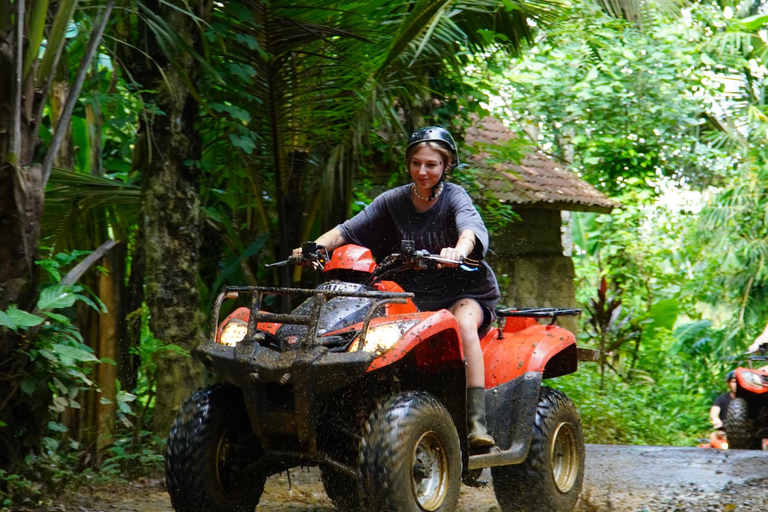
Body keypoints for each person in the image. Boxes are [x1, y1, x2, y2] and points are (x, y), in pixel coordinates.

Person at [292, 126, 500, 448]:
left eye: (431, 164)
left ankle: (476, 423)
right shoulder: (394, 200)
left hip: (463, 293)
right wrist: (314, 247)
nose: (422, 171)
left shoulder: (455, 197)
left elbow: (469, 228)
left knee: (462, 325)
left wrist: (459, 250)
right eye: (417, 163)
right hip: (411, 296)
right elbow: (347, 229)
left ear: (446, 166)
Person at [709, 371, 737, 446]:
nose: (736, 385)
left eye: (738, 382)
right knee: (714, 435)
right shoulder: (722, 398)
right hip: (725, 432)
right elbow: (714, 411)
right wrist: (715, 419)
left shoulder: (750, 399)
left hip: (746, 433)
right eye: (734, 382)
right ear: (728, 384)